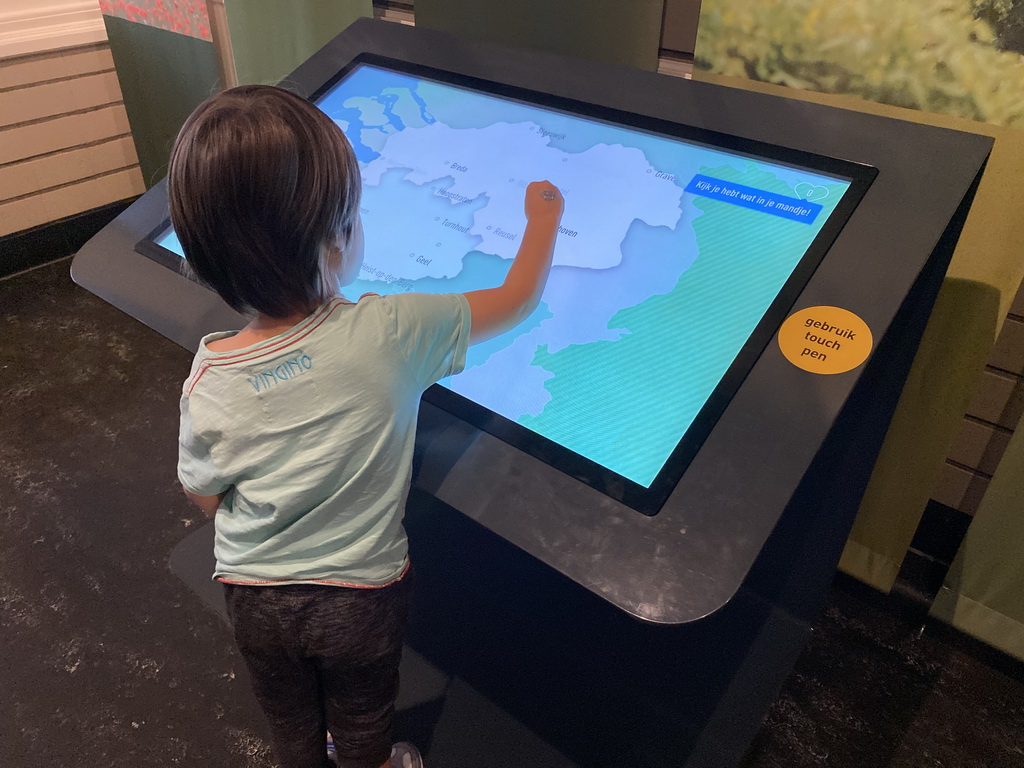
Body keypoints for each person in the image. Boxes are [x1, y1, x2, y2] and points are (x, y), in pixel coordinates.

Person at [168, 84, 563, 768]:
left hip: (253, 600)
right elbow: (518, 300)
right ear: (335, 244)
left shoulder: (210, 376)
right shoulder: (395, 331)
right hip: (360, 599)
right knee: (363, 710)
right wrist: (545, 216)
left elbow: (204, 496)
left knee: (288, 715)